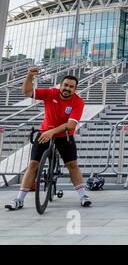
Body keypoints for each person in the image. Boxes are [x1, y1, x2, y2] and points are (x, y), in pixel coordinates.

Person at [5, 66, 91, 210]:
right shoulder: (50, 93)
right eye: (65, 85)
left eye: (71, 87)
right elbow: (27, 92)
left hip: (64, 135)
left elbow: (70, 125)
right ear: (60, 85)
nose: (68, 88)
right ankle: (19, 199)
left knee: (72, 165)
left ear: (75, 89)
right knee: (33, 164)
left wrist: (53, 132)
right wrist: (29, 76)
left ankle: (83, 195)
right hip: (45, 132)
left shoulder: (78, 101)